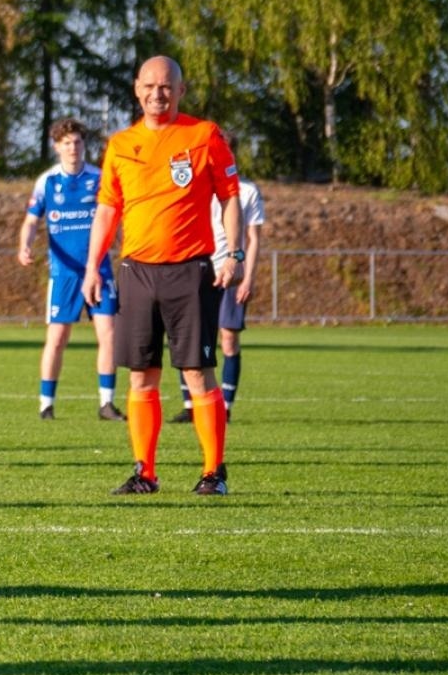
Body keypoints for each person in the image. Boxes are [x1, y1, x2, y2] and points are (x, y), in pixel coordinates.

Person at [83, 55, 241, 497]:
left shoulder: (203, 135)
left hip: (191, 270)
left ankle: (214, 473)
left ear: (181, 90)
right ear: (137, 89)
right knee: (140, 375)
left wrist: (235, 254)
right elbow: (108, 209)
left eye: (167, 86)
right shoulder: (119, 144)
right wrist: (93, 266)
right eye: (150, 86)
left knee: (196, 372)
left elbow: (230, 196)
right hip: (137, 272)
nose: (158, 94)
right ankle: (145, 473)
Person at [16, 117, 124, 422]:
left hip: (100, 271)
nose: (73, 148)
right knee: (57, 338)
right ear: (57, 147)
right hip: (64, 274)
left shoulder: (99, 178)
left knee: (109, 334)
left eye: (77, 142)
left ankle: (106, 403)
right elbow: (31, 221)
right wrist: (25, 245)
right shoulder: (47, 182)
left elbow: (115, 216)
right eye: (67, 143)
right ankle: (46, 404)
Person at [175, 150, 265, 422]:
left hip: (231, 274)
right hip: (197, 270)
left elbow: (253, 238)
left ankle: (224, 407)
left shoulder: (247, 191)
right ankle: (190, 406)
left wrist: (247, 276)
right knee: (190, 339)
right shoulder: (196, 184)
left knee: (228, 339)